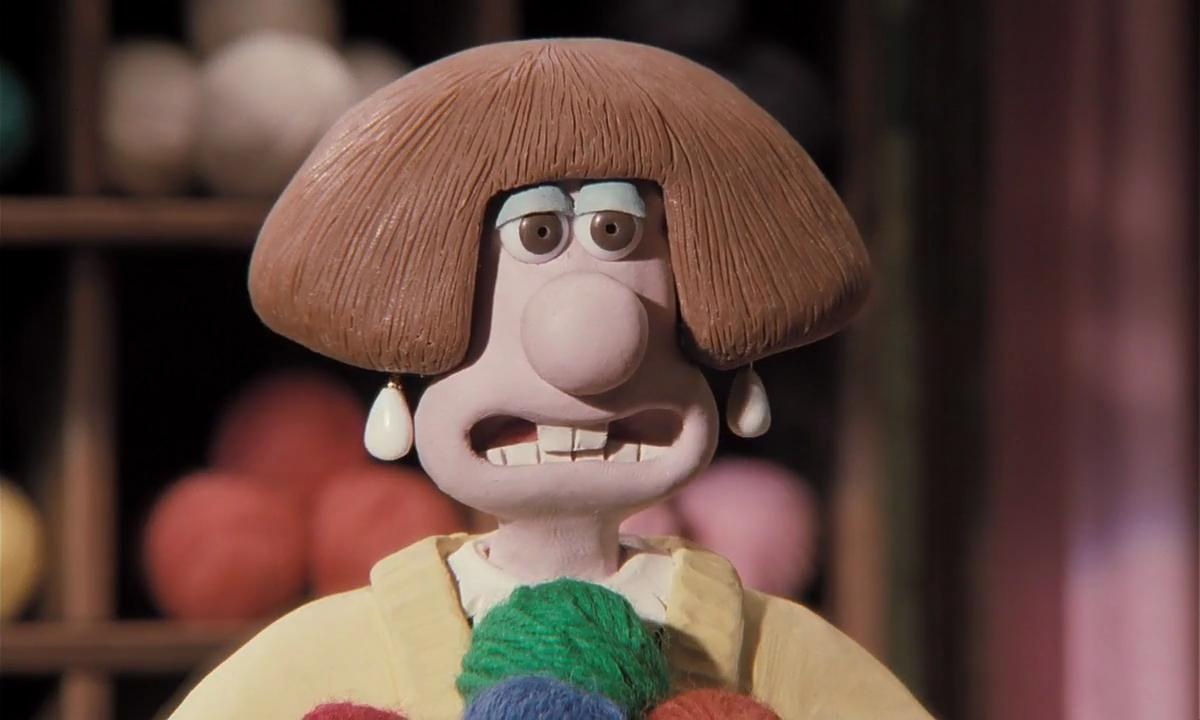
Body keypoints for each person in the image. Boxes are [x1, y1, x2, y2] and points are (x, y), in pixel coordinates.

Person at [169, 38, 930, 719]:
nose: (590, 349)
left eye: (616, 232)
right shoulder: (318, 658)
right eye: (536, 233)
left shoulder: (782, 656)